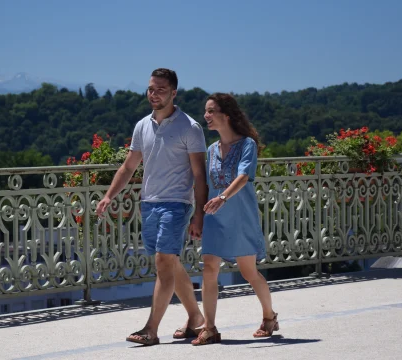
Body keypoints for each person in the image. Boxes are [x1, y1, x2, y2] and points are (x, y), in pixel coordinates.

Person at [95, 68, 208, 346]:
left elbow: (199, 176)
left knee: (162, 261)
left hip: (177, 204)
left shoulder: (189, 127)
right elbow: (129, 166)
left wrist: (199, 213)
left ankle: (151, 329)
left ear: (173, 93)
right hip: (148, 203)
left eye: (160, 89)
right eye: (150, 89)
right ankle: (196, 318)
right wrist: (109, 195)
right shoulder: (142, 125)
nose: (153, 94)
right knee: (170, 262)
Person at [191, 93, 279, 346]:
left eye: (211, 111)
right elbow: (206, 185)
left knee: (248, 272)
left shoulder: (247, 145)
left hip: (240, 216)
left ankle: (269, 316)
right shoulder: (211, 150)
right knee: (209, 269)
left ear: (226, 115)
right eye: (205, 111)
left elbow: (243, 176)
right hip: (214, 217)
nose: (206, 116)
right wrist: (198, 216)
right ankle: (209, 328)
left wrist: (224, 198)